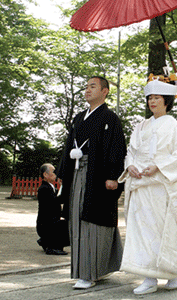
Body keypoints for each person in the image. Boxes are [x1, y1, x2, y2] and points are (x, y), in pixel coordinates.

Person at [118, 77, 177, 294]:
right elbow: (131, 151)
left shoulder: (173, 125)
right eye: (150, 97)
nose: (152, 101)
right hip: (140, 183)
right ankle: (148, 277)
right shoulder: (141, 125)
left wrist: (158, 166)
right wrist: (130, 166)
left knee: (162, 230)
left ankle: (173, 273)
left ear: (166, 100)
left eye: (157, 97)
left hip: (160, 185)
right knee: (142, 231)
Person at [57, 76, 127, 290]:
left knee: (94, 222)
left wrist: (114, 177)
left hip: (98, 176)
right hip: (78, 173)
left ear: (105, 91)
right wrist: (63, 172)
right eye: (86, 87)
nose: (87, 90)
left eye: (92, 86)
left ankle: (91, 272)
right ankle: (84, 270)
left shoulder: (110, 118)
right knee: (77, 219)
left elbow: (117, 148)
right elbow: (69, 145)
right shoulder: (79, 118)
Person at [36, 163, 69, 255]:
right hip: (46, 224)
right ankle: (51, 246)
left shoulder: (50, 187)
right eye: (53, 172)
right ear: (45, 175)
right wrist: (64, 187)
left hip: (51, 222)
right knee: (66, 226)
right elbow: (57, 201)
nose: (56, 174)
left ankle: (46, 242)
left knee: (67, 222)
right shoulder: (43, 189)